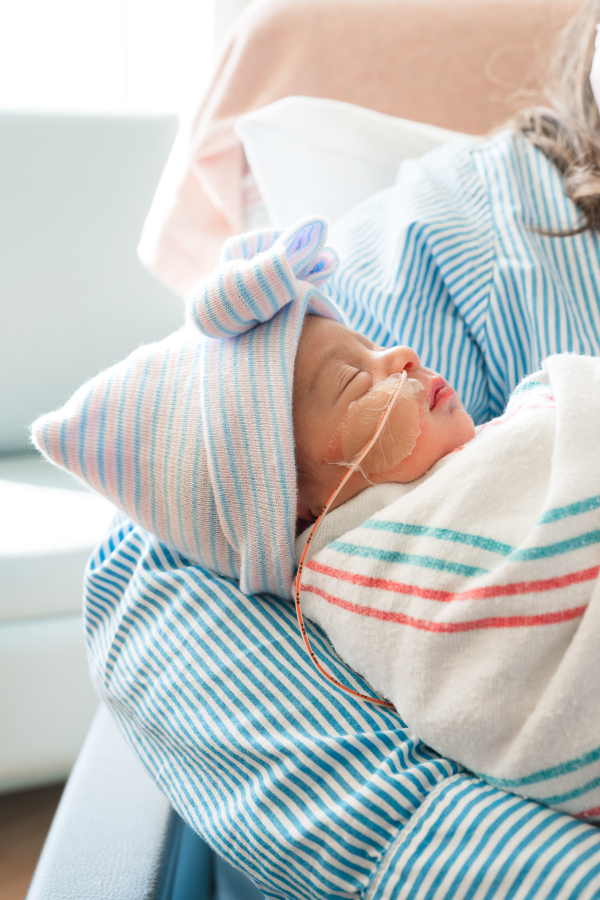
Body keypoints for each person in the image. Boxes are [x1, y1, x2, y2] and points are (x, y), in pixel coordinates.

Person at [31, 1, 600, 896]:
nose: (404, 356)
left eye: (376, 355)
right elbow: (154, 582)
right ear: (304, 515)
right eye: (355, 376)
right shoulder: (476, 237)